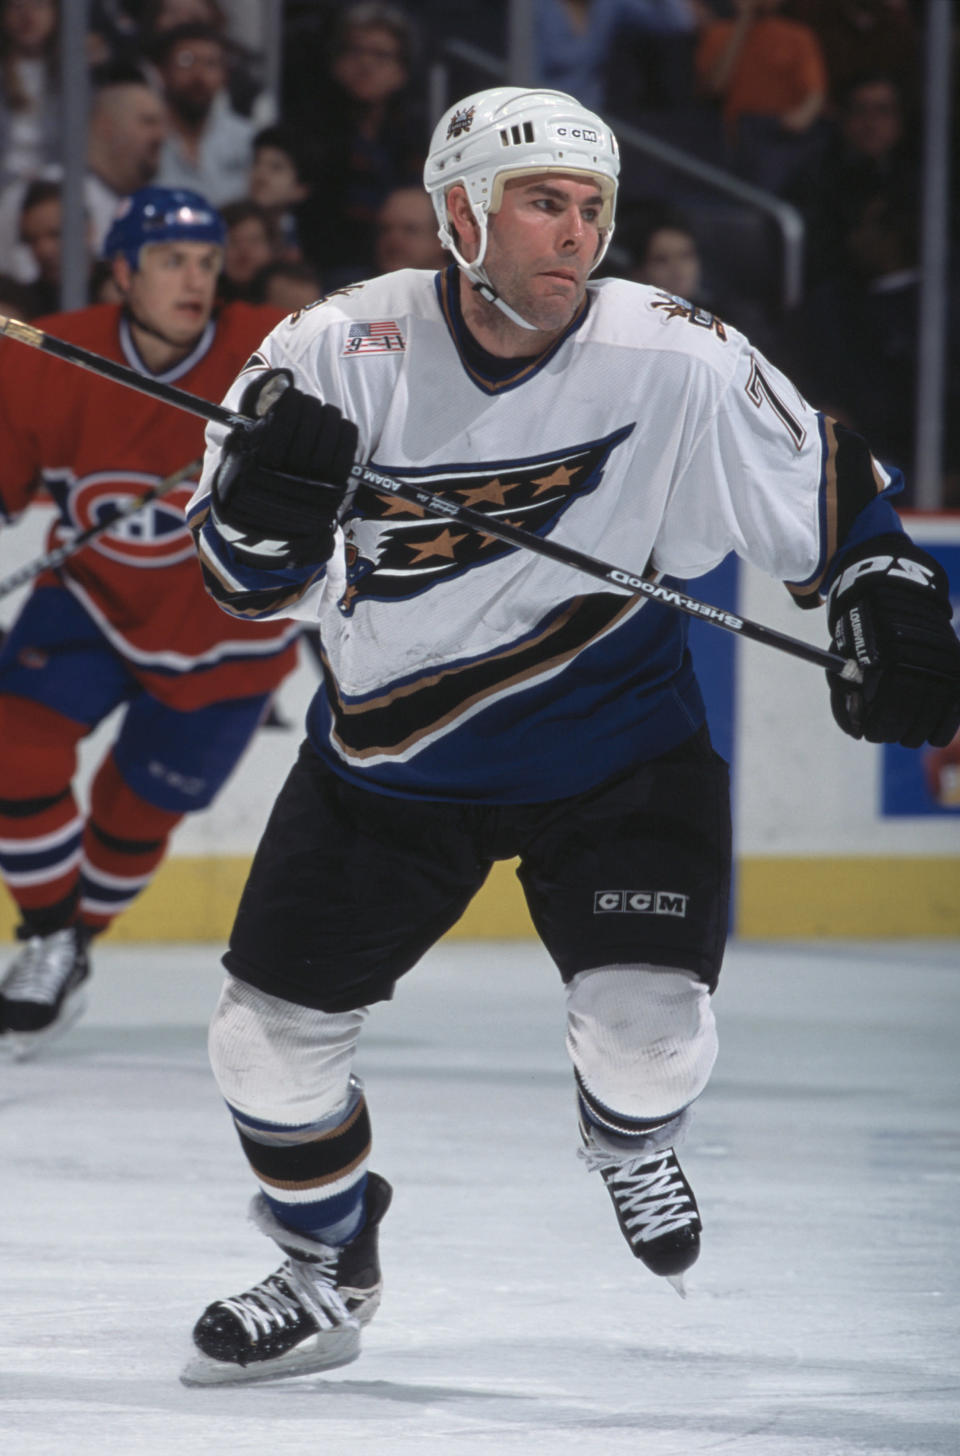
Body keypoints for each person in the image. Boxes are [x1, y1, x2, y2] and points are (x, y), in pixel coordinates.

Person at [182, 86, 960, 1386]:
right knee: (258, 1044)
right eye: (544, 201)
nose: (577, 233)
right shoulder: (330, 352)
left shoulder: (676, 353)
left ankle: (628, 1140)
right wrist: (262, 526)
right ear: (456, 214)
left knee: (648, 1036)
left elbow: (837, 507)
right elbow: (237, 578)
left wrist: (891, 600)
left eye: (593, 207)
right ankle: (326, 1265)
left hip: (619, 756)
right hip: (388, 765)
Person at [0, 186, 297, 1057]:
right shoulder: (50, 359)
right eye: (171, 261)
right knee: (14, 740)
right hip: (91, 597)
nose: (193, 280)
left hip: (229, 629)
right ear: (122, 270)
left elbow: (374, 409)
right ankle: (47, 936)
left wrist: (310, 427)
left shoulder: (274, 351)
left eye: (207, 262)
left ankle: (73, 945)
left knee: (135, 817)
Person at [152, 21, 263, 205]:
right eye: (186, 61)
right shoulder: (146, 138)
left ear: (224, 75)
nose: (199, 75)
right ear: (163, 72)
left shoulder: (246, 140)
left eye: (211, 64)